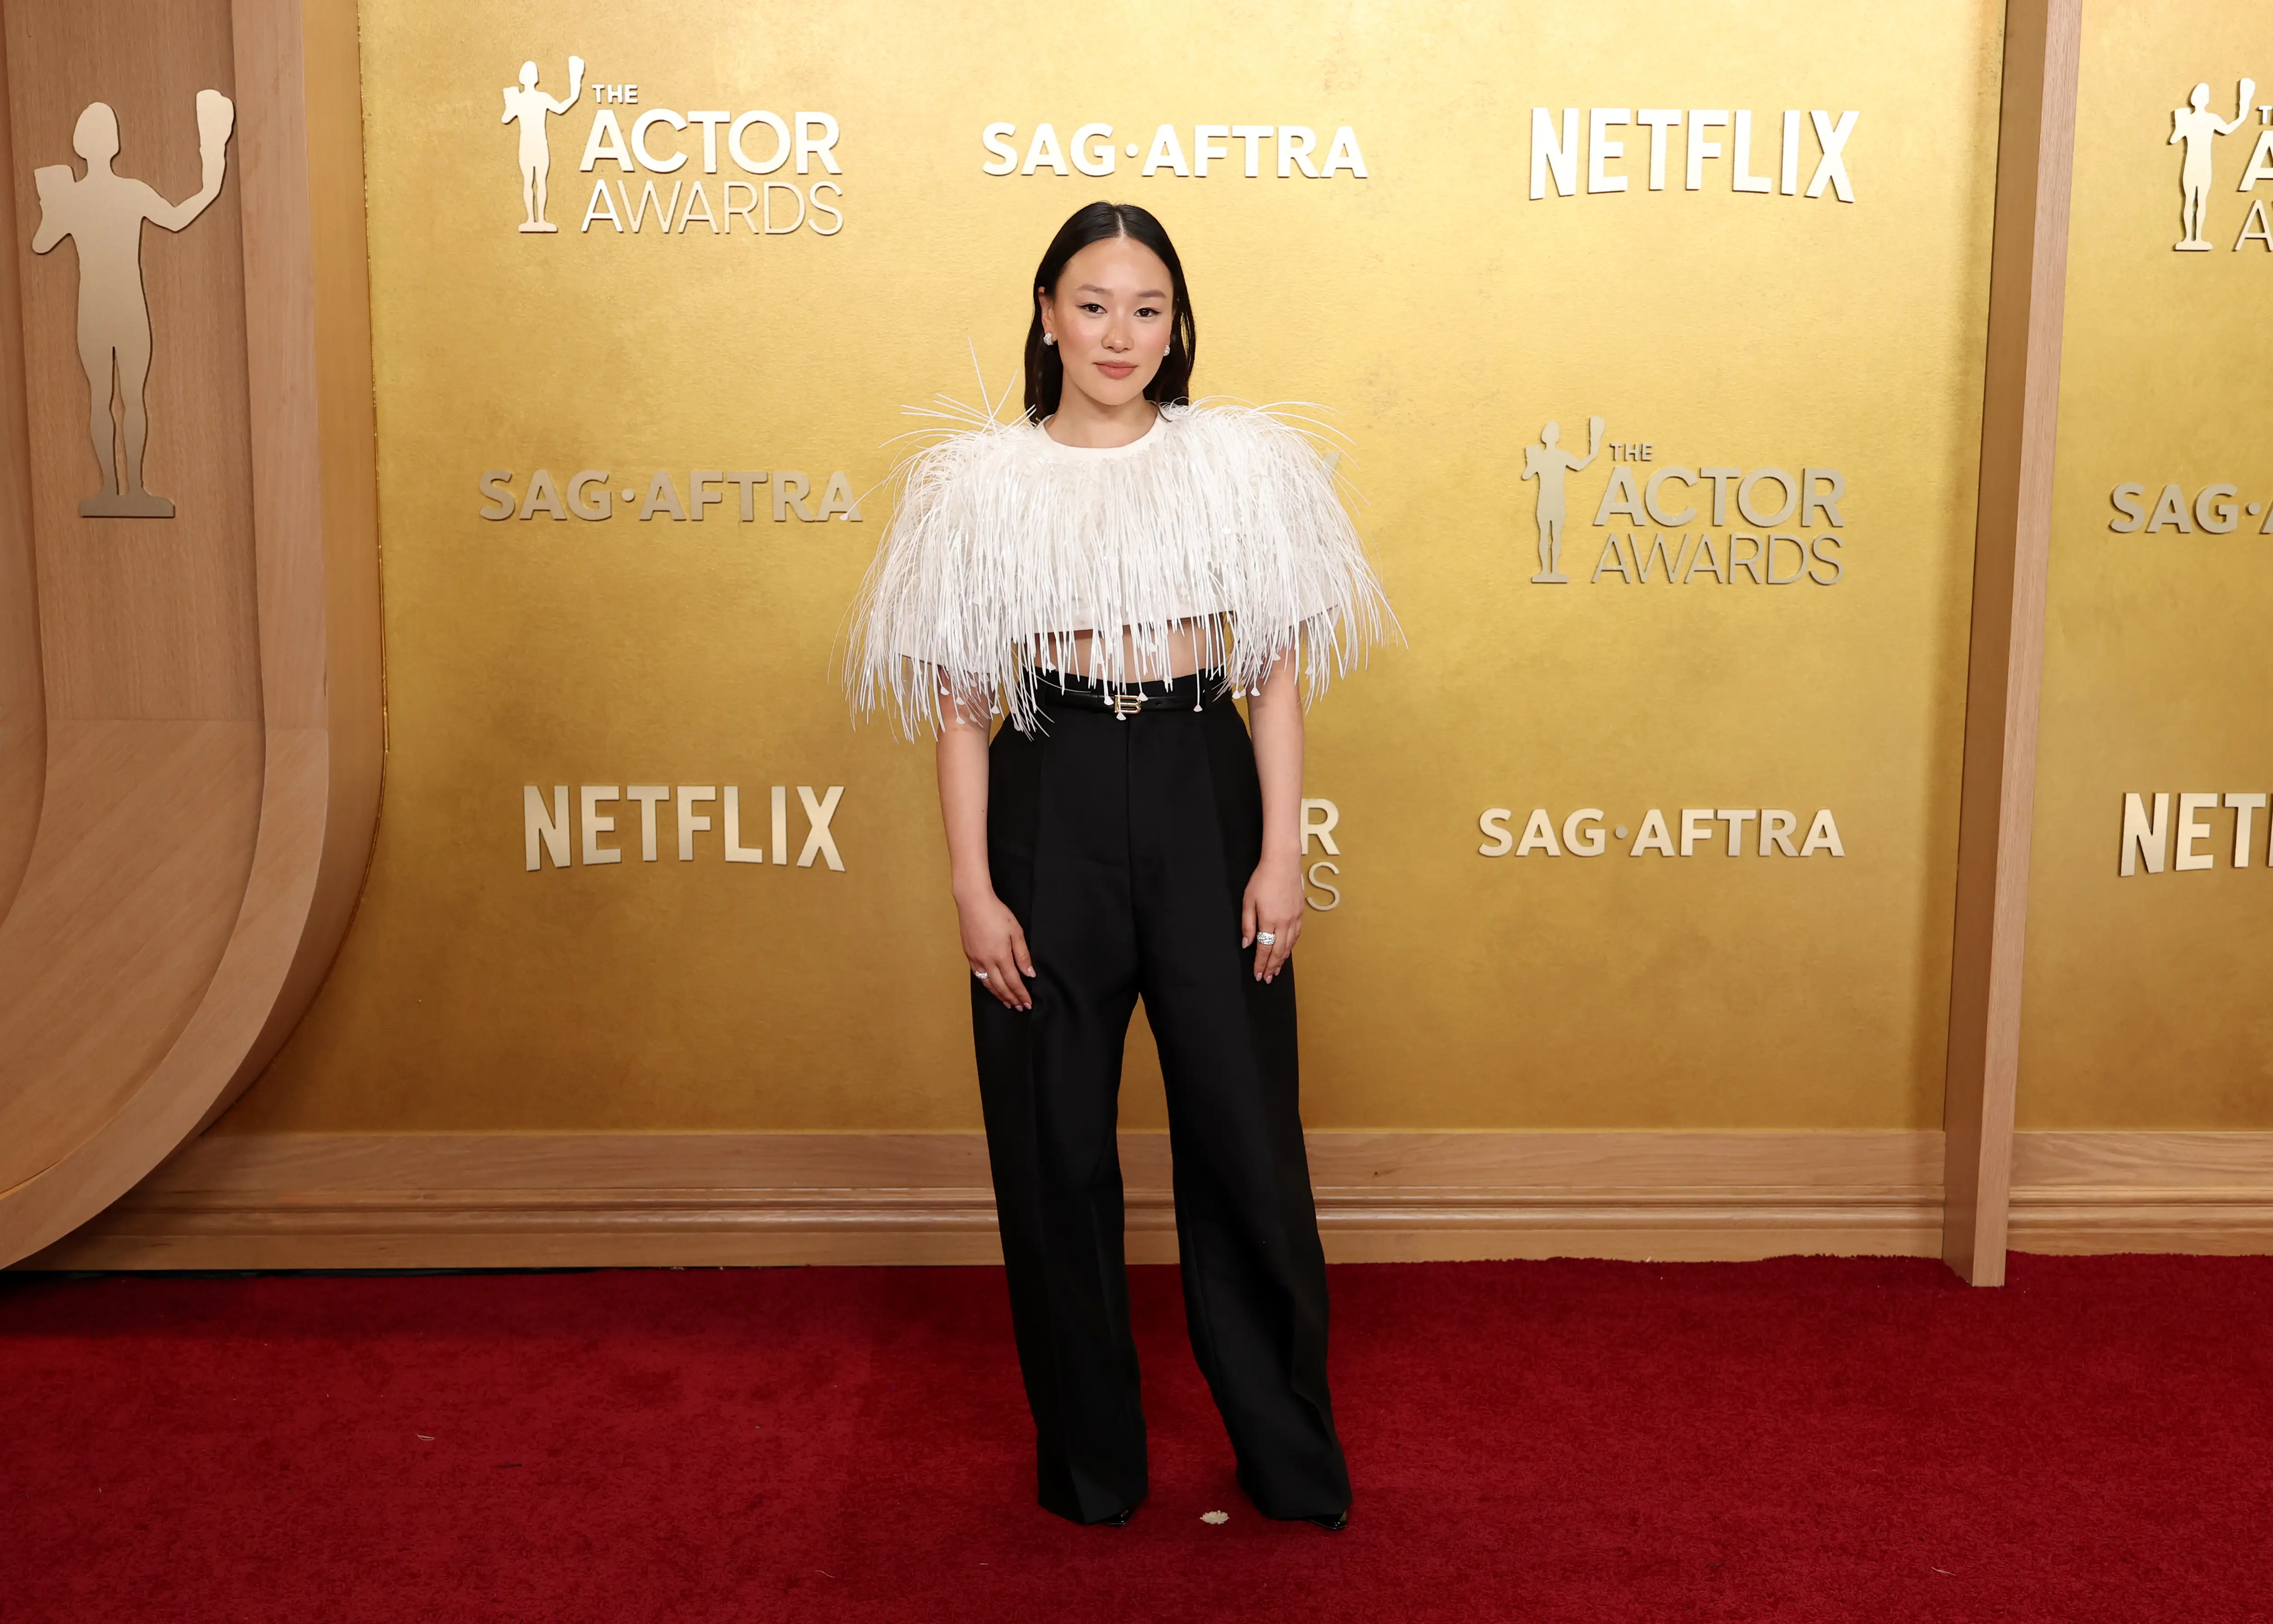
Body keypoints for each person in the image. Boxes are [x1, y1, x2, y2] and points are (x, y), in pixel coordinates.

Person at [846, 201, 1392, 1529]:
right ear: (1044, 312)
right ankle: (1092, 1463)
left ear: (1176, 325)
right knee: (1052, 1148)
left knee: (1245, 1143)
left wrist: (1278, 854)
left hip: (1205, 786)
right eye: (1092, 304)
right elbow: (963, 708)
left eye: (1147, 308)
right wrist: (975, 889)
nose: (1119, 333)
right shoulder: (976, 484)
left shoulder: (1241, 466)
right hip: (1052, 794)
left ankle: (1287, 1454)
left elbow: (1272, 681)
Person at [2171, 79, 2254, 251]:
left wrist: (2179, 121)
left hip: (2195, 165)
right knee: (2199, 201)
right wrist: (2242, 115)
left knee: (2191, 201)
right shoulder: (2208, 119)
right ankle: (2193, 238)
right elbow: (2229, 129)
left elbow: (2174, 138)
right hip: (2200, 166)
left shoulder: (2192, 119)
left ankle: (2192, 239)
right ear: (2206, 100)